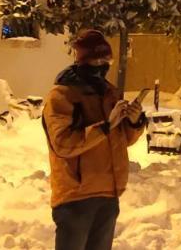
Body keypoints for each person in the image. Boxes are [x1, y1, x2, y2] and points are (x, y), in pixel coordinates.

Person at [43, 28, 146, 250]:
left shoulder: (109, 92)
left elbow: (120, 140)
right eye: (96, 59)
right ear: (82, 60)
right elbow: (64, 143)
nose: (102, 65)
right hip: (76, 196)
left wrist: (133, 121)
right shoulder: (62, 95)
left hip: (109, 193)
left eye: (106, 59)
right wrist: (106, 126)